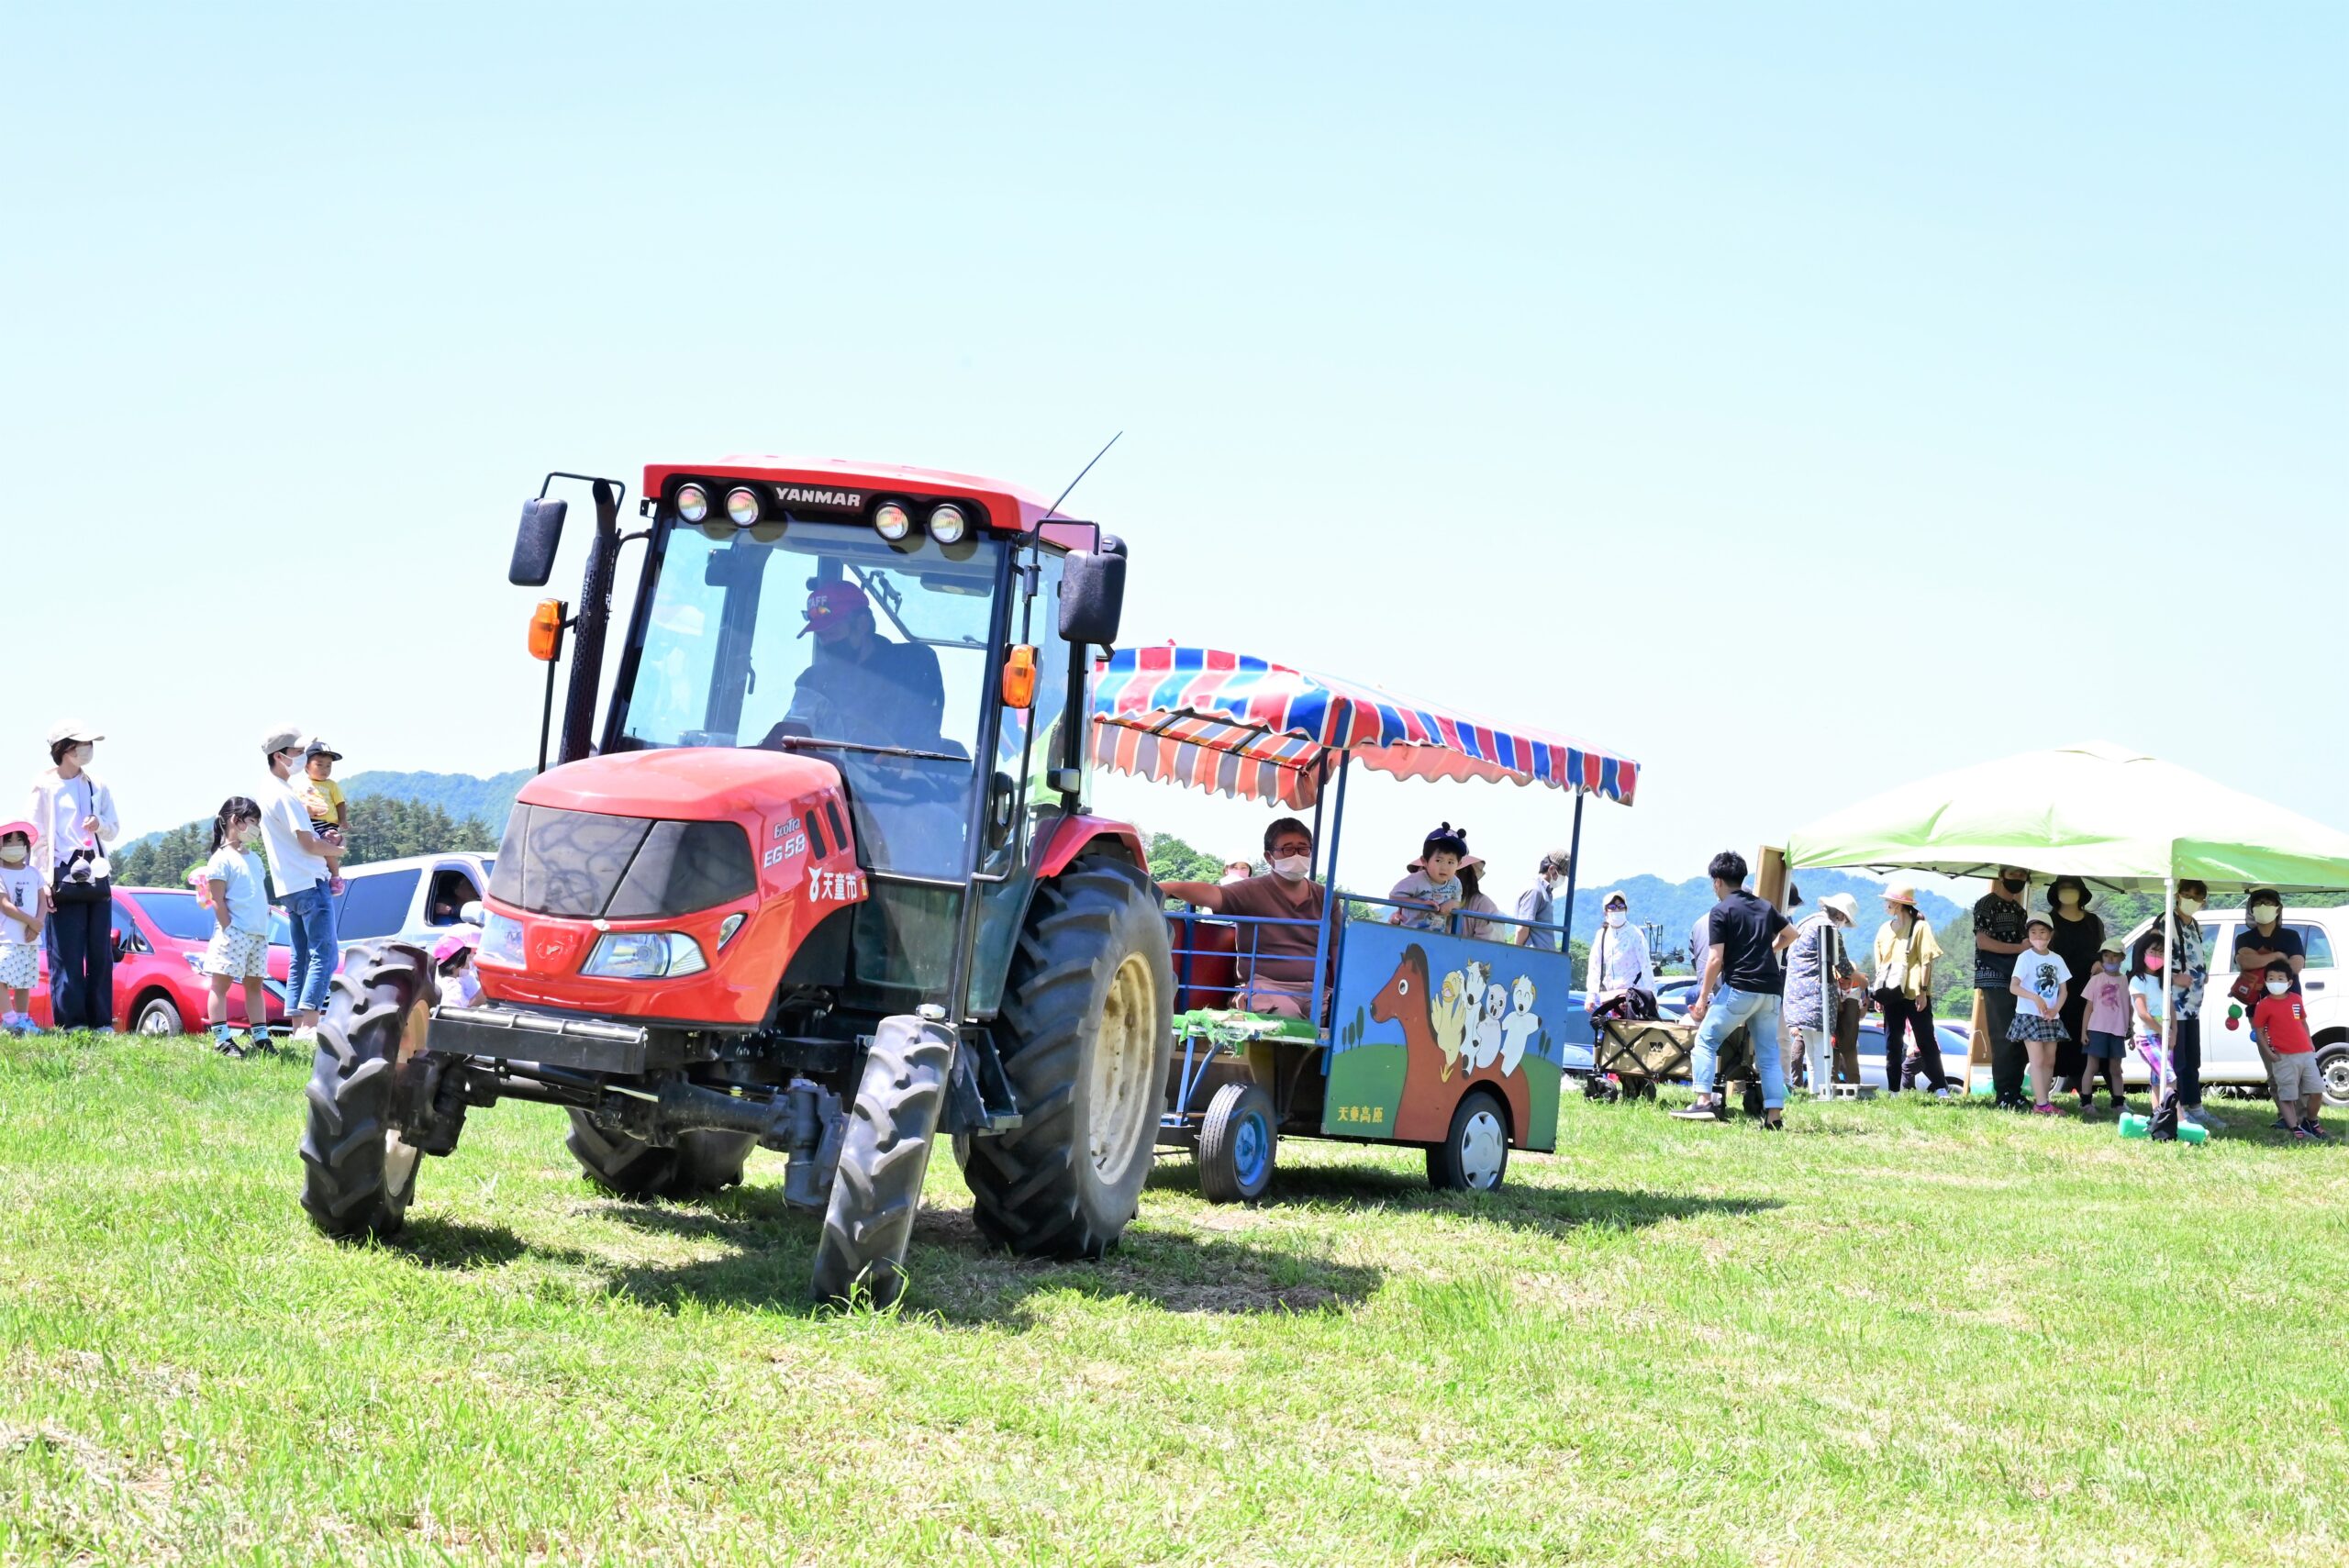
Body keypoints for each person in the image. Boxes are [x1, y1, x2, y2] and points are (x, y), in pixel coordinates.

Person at [1671, 851, 1799, 1127]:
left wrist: (1703, 998)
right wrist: (1770, 949)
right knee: (1768, 1052)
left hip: (1740, 987)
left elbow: (1715, 958)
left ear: (1717, 881)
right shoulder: (1764, 906)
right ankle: (1774, 1116)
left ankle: (1704, 1102)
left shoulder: (1721, 910)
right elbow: (1791, 934)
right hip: (1770, 989)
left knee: (1705, 1040)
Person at [1158, 817, 1327, 1019]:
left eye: (1303, 848)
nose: (1297, 855)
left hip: (1317, 990)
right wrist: (1168, 887)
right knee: (1285, 1016)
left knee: (1344, 1013)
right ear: (1269, 856)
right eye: (1288, 849)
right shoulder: (1251, 890)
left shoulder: (1325, 899)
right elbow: (1214, 894)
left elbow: (1335, 948)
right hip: (1268, 988)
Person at [28, 722, 120, 1034]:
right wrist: (43, 880)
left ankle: (101, 1022)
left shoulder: (97, 784)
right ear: (65, 749)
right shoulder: (44, 786)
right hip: (61, 871)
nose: (88, 750)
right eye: (83, 744)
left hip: (95, 869)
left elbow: (114, 827)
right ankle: (72, 1023)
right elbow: (36, 837)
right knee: (65, 952)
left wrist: (99, 824)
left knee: (99, 950)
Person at [259, 726, 349, 1043]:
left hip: (288, 886)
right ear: (280, 756)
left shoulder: (270, 791)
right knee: (325, 954)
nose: (301, 758)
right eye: (297, 753)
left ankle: (298, 1026)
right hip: (310, 881)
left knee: (300, 955)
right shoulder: (285, 794)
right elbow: (309, 843)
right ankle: (311, 1023)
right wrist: (337, 850)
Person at [783, 580, 947, 749]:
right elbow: (794, 735)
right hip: (826, 772)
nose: (826, 643)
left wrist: (900, 756)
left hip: (889, 772)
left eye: (832, 632)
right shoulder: (812, 680)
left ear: (862, 624)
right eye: (821, 636)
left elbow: (920, 741)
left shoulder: (910, 668)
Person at [201, 797, 273, 1057]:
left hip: (258, 934)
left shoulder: (253, 858)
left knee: (255, 985)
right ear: (235, 821)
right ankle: (222, 1038)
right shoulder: (221, 860)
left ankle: (261, 1037)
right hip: (234, 933)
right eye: (253, 821)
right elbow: (216, 900)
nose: (255, 827)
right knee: (221, 984)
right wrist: (228, 928)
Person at [2232, 889, 2306, 1129]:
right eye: (2259, 903)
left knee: (2297, 1065)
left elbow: (2296, 965)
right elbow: (2245, 961)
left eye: (2269, 902)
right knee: (2274, 1068)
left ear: (2278, 908)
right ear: (2251, 909)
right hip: (2259, 1011)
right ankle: (2286, 1117)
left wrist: (2260, 959)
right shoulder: (2244, 938)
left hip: (2291, 1010)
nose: (2264, 906)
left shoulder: (2291, 935)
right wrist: (2276, 956)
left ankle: (2303, 1117)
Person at [1781, 893, 1863, 1095]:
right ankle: (1822, 1092)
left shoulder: (1805, 922)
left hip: (1794, 993)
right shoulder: (1828, 928)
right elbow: (1843, 965)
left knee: (1810, 1046)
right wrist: (1862, 980)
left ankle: (1814, 1091)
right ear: (1841, 915)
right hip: (1816, 995)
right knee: (1822, 1047)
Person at [1872, 884, 1948, 1095]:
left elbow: (1926, 961)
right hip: (1891, 993)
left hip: (1915, 992)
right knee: (1892, 1042)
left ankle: (1941, 1088)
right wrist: (1879, 994)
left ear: (1897, 903)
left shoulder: (1920, 927)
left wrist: (1923, 991)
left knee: (1926, 1040)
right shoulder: (1883, 929)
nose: (1885, 904)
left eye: (1888, 900)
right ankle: (1894, 1090)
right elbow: (1880, 965)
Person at [1973, 865, 2033, 1109]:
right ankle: (2003, 1094)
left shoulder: (2020, 911)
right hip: (1994, 977)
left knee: (2019, 1037)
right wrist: (2018, 949)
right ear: (2001, 876)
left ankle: (2014, 1091)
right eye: (2013, 874)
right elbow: (1983, 941)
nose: (2017, 879)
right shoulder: (1986, 905)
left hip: (2017, 978)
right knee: (2002, 1036)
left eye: (2021, 875)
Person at [2156, 879, 2213, 1131]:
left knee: (2191, 1059)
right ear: (2177, 895)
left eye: (2196, 897)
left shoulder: (2194, 924)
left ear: (2203, 902)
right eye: (2186, 895)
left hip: (2193, 1004)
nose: (2190, 900)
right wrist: (2172, 976)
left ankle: (2195, 1106)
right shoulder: (2165, 922)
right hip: (2173, 1005)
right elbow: (2153, 959)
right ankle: (2175, 1110)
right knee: (2176, 1061)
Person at [2250, 961, 2328, 1140]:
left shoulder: (2296, 1000)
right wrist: (2269, 1054)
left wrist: (2310, 1044)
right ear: (2266, 981)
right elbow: (2259, 1031)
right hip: (2283, 1056)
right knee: (2287, 1095)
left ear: (2289, 982)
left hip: (2306, 1054)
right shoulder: (2264, 1005)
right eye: (2270, 978)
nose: (2275, 982)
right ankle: (2294, 1127)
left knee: (2317, 1091)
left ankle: (2311, 1121)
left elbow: (2302, 1022)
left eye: (2279, 978)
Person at [2043, 876, 2103, 1098]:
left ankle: (2084, 1091)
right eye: (2063, 887)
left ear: (2082, 892)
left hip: (2087, 990)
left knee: (2084, 1035)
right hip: (2054, 990)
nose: (2068, 892)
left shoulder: (2093, 921)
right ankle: (2046, 1091)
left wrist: (2100, 961)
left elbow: (2103, 950)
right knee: (2053, 1039)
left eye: (2072, 887)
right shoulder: (2048, 921)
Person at [2009, 916, 2071, 1115]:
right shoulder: (2025, 957)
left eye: (2042, 932)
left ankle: (2044, 1101)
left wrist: (2055, 1010)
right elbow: (2014, 987)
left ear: (2050, 935)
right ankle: (2041, 1104)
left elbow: (2064, 990)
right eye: (2033, 932)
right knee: (2036, 1060)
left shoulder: (2057, 959)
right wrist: (2035, 998)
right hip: (2029, 1016)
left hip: (2051, 1017)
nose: (2038, 936)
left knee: (2049, 1060)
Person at [2076, 938, 2131, 1115]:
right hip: (2096, 1029)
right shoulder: (2096, 980)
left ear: (2122, 958)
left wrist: (2131, 1026)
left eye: (2115, 956)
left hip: (2117, 1029)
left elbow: (2128, 1006)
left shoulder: (2125, 981)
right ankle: (2085, 1102)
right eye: (2107, 956)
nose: (2110, 960)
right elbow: (2088, 1007)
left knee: (2115, 1067)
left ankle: (2118, 1102)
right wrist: (2084, 1031)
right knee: (2091, 1065)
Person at [0, 820, 42, 1035]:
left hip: (29, 938)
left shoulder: (33, 873)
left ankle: (23, 1021)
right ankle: (9, 1019)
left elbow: (42, 900)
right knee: (2, 977)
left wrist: (38, 925)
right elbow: (6, 905)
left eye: (19, 840)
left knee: (23, 981)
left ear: (27, 846)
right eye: (8, 841)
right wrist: (32, 921)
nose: (14, 844)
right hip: (6, 937)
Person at [1585, 890, 1655, 1016]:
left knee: (1631, 1032)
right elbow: (1594, 966)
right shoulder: (1602, 934)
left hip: (1632, 996)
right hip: (1610, 997)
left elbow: (1646, 965)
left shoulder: (1635, 933)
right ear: (1605, 912)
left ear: (1626, 909)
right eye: (1612, 907)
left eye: (1620, 906)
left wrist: (1652, 996)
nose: (1617, 910)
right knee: (1611, 1033)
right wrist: (1591, 995)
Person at [1389, 827, 1466, 933]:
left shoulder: (1456, 883)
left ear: (1459, 865)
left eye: (1450, 862)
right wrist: (1420, 903)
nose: (1444, 867)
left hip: (1437, 937)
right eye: (1439, 860)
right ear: (1424, 861)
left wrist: (1453, 904)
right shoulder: (1416, 880)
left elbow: (1458, 902)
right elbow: (1393, 896)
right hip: (1409, 933)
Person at [300, 740, 351, 895]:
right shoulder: (300, 785)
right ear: (306, 765)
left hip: (328, 824)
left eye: (328, 766)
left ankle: (336, 877)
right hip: (309, 824)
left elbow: (340, 803)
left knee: (328, 848)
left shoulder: (331, 785)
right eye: (319, 764)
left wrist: (342, 819)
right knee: (311, 849)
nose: (325, 769)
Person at [2129, 932, 2168, 1102]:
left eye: (2161, 953)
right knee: (2169, 1076)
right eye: (2152, 952)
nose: (2156, 956)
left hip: (2163, 1035)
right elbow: (2143, 1014)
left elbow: (2170, 1007)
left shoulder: (2164, 981)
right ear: (2142, 953)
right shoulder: (2138, 980)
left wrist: (2172, 1032)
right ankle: (2178, 1117)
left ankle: (2158, 1115)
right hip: (2147, 1036)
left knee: (2158, 1079)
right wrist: (2164, 1031)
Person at [1512, 849, 1573, 950]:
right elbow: (1522, 928)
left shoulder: (1545, 892)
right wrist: (1516, 954)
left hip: (1541, 958)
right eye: (1563, 874)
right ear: (1552, 869)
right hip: (1532, 958)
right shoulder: (1535, 890)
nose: (1563, 879)